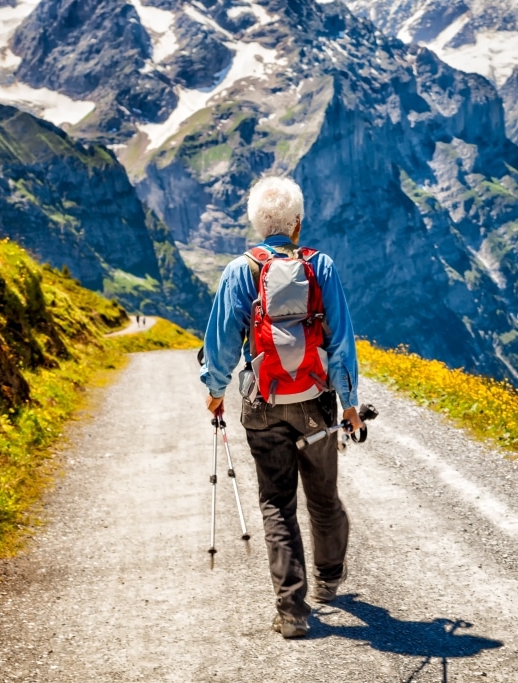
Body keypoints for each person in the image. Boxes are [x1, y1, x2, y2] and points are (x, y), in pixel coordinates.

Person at [199, 176, 363, 639]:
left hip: (263, 404)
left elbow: (222, 340)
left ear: (257, 223)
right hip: (314, 402)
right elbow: (341, 339)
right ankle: (329, 580)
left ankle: (292, 610)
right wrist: (349, 404)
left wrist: (214, 389)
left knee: (277, 502)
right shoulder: (321, 266)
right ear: (296, 223)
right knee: (323, 495)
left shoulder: (241, 270)